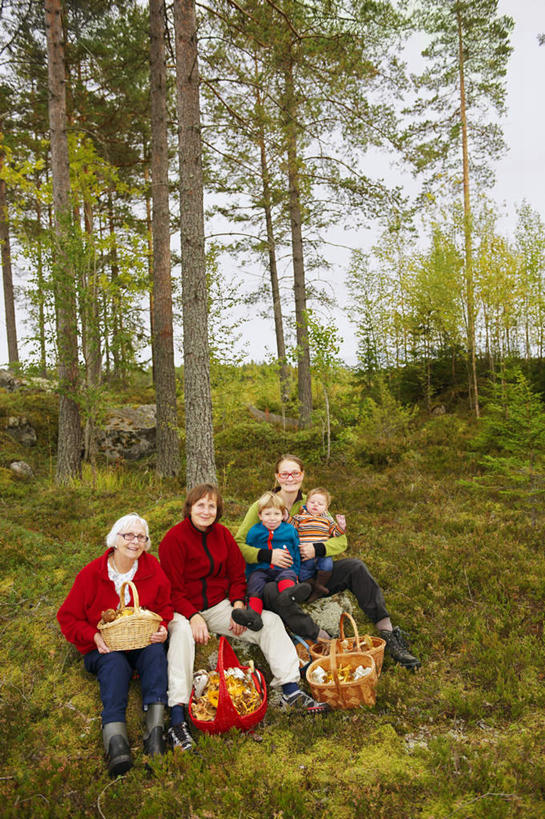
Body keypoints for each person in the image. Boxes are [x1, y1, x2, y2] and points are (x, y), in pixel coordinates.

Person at [159, 483, 329, 753]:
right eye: (200, 505)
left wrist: (239, 604)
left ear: (218, 510)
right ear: (189, 508)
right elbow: (171, 588)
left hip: (218, 606)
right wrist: (192, 616)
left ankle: (290, 690)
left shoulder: (223, 536)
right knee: (180, 637)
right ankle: (178, 718)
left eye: (212, 506)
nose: (206, 511)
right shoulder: (173, 539)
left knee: (270, 622)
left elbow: (237, 574)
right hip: (181, 609)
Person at [235, 455, 421, 670]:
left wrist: (317, 549)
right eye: (284, 473)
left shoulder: (313, 502)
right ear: (277, 476)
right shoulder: (262, 505)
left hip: (309, 574)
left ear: (302, 475)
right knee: (271, 591)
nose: (290, 478)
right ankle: (323, 639)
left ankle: (388, 633)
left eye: (295, 473)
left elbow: (341, 540)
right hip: (276, 578)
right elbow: (239, 543)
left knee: (355, 567)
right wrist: (267, 555)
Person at [57, 514, 172, 777]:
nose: (134, 542)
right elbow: (67, 617)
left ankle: (154, 731)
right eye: (128, 535)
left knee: (156, 653)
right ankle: (115, 738)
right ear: (115, 538)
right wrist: (92, 636)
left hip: (140, 641)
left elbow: (165, 606)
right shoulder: (91, 574)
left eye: (140, 537)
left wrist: (162, 627)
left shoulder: (152, 568)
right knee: (114, 663)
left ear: (146, 542)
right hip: (105, 648)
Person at [231, 491, 311, 632]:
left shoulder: (290, 531)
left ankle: (289, 594)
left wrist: (296, 574)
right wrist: (249, 575)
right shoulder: (254, 532)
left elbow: (296, 554)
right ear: (260, 515)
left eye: (276, 514)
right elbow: (248, 555)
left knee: (287, 575)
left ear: (283, 515)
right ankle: (253, 615)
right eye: (267, 514)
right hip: (260, 569)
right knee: (255, 584)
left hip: (284, 568)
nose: (272, 519)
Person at [287, 486, 346, 603]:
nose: (315, 505)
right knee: (303, 574)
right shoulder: (300, 517)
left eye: (320, 504)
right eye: (312, 502)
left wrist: (341, 526)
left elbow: (336, 533)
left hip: (321, 552)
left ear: (326, 507)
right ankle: (316, 588)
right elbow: (290, 525)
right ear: (306, 502)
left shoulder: (328, 520)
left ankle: (319, 586)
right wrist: (286, 517)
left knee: (327, 566)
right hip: (305, 553)